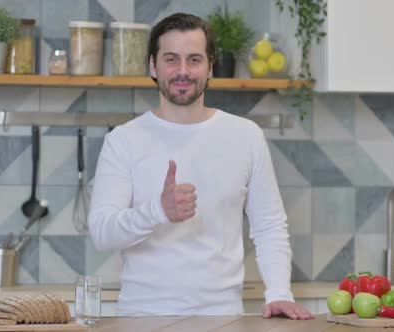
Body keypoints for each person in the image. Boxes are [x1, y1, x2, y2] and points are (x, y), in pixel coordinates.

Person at [88, 12, 313, 320]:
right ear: (153, 66)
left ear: (210, 66)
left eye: (194, 59)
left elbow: (269, 225)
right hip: (142, 318)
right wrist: (157, 211)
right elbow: (102, 232)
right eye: (171, 59)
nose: (183, 71)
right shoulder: (123, 141)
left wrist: (278, 293)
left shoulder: (245, 136)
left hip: (223, 319)